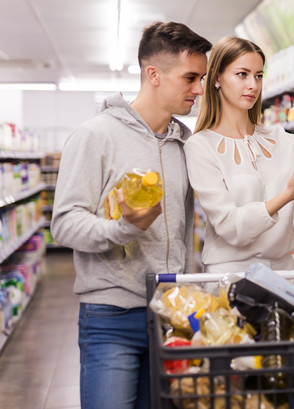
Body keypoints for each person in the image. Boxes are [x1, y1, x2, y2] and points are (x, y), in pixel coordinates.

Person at [50, 22, 212, 409]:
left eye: (202, 78)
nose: (199, 89)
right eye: (190, 77)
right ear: (153, 74)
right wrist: (125, 227)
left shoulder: (186, 145)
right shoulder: (96, 136)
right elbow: (64, 223)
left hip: (170, 314)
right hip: (111, 318)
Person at [184, 36, 294, 274]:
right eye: (242, 74)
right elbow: (229, 226)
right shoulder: (200, 145)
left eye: (258, 75)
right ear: (217, 77)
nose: (253, 85)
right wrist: (288, 194)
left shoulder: (279, 138)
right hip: (231, 276)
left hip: (284, 272)